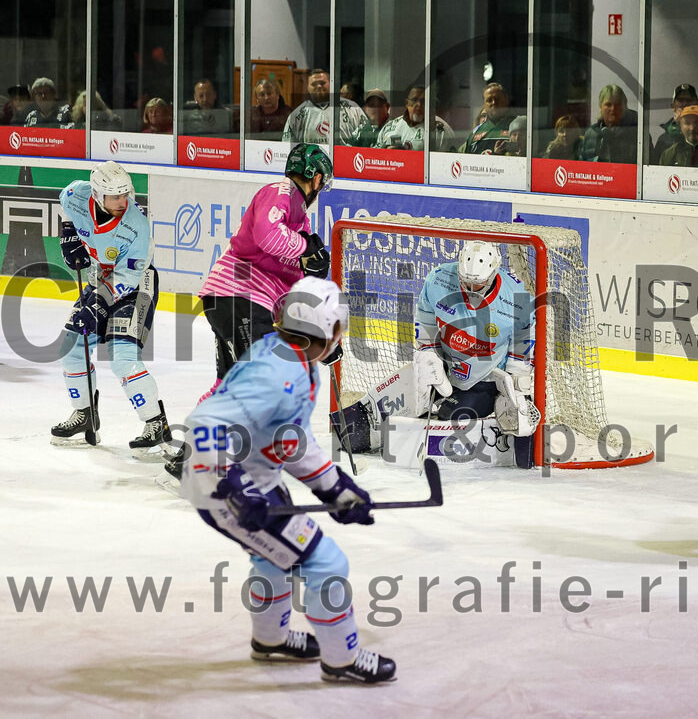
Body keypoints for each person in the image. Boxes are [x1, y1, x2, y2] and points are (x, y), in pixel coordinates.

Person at [179, 276, 396, 684]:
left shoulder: (290, 359)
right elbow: (203, 424)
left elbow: (289, 438)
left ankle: (271, 639)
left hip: (251, 480)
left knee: (271, 558)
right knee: (325, 562)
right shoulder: (277, 372)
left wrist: (333, 487)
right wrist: (236, 487)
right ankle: (342, 660)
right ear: (331, 330)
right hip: (226, 488)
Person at [340, 241, 538, 468]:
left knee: (451, 415)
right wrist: (428, 356)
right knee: (373, 415)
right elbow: (425, 321)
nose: (471, 289)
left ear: (494, 274)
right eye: (466, 282)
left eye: (479, 284)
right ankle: (358, 429)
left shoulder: (517, 298)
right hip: (444, 362)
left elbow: (522, 347)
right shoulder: (439, 279)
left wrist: (512, 385)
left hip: (485, 379)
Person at [50, 161, 182, 460]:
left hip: (136, 286)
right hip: (100, 279)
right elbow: (64, 206)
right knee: (70, 347)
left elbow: (129, 277)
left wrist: (98, 304)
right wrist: (69, 234)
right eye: (115, 197)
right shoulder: (76, 195)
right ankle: (84, 413)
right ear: (97, 195)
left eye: (126, 194)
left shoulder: (137, 225)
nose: (123, 201)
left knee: (122, 358)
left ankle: (155, 423)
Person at [196, 143, 334, 410]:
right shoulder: (280, 191)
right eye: (321, 181)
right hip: (240, 297)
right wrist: (306, 248)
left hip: (233, 301)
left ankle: (199, 441)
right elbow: (267, 234)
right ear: (315, 177)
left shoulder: (299, 221)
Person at [652, 84, 698, 163]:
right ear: (673, 107)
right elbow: (655, 170)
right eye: (680, 100)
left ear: (697, 106)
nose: (685, 104)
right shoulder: (664, 139)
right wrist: (678, 125)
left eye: (689, 101)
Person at [578, 84, 648, 164]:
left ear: (624, 106)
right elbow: (583, 165)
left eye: (617, 104)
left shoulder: (637, 133)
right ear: (601, 106)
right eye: (608, 104)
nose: (613, 109)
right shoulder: (591, 133)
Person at [374, 85, 456, 152]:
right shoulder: (391, 126)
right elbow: (374, 157)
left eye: (424, 101)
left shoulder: (441, 130)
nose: (419, 105)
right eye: (414, 100)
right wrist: (386, 151)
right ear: (407, 103)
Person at [462, 83, 515, 155]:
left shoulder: (517, 126)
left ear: (506, 100)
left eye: (497, 99)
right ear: (484, 104)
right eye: (489, 100)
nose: (494, 103)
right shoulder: (477, 132)